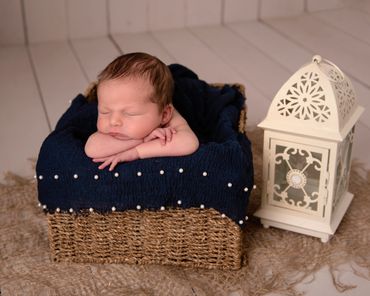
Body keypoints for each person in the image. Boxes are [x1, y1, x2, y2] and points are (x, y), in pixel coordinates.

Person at [84, 52, 199, 171]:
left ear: (164, 115)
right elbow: (92, 148)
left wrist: (136, 152)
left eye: (130, 113)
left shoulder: (170, 118)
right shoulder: (112, 128)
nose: (113, 121)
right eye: (104, 112)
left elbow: (188, 143)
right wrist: (142, 139)